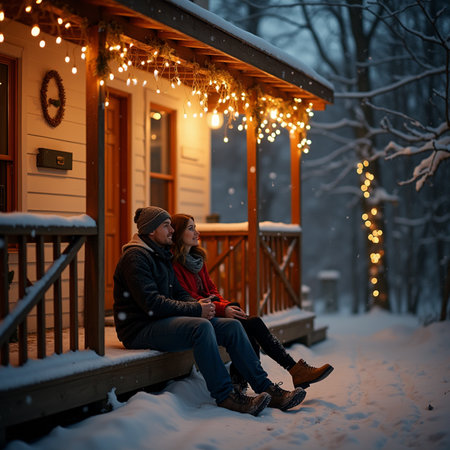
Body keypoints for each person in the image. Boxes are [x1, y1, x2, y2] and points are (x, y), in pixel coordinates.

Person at [113, 206, 307, 417]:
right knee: (201, 327)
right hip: (141, 328)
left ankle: (266, 387)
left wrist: (203, 304)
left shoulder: (160, 254)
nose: (171, 231)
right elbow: (152, 304)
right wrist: (196, 309)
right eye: (166, 226)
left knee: (232, 326)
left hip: (164, 320)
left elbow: (178, 293)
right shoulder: (136, 257)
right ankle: (226, 395)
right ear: (151, 231)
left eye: (171, 225)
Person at [170, 213, 334, 393]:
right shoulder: (174, 264)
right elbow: (189, 297)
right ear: (178, 233)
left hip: (210, 309)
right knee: (252, 324)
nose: (197, 233)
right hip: (196, 316)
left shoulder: (197, 259)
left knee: (245, 318)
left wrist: (225, 306)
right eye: (191, 228)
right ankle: (290, 371)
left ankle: (248, 378)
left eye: (196, 227)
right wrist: (223, 308)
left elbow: (212, 290)